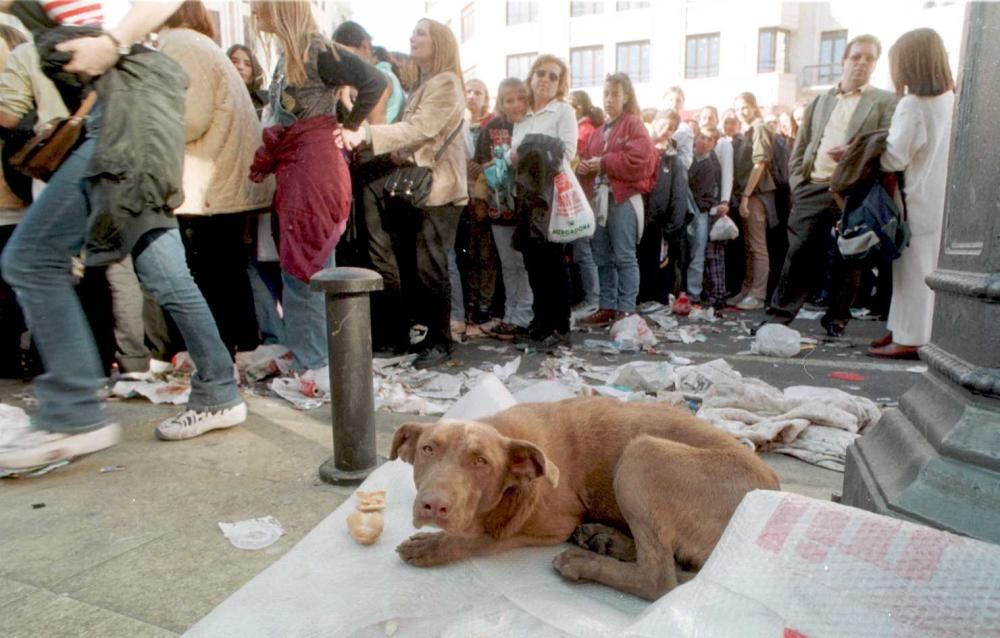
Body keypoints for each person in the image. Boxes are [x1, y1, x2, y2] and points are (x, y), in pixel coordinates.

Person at [0, 0, 253, 473]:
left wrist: (112, 42)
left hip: (122, 127)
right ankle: (220, 391)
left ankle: (72, 414)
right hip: (133, 123)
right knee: (167, 276)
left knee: (32, 259)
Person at [249, 0, 385, 373]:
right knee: (303, 270)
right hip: (299, 172)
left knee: (306, 271)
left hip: (313, 171)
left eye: (257, 4)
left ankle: (316, 367)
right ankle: (315, 361)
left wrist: (352, 125)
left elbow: (375, 81)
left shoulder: (316, 49)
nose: (252, 11)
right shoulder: (291, 54)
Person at [343, 18, 467, 369]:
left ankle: (440, 341)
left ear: (440, 42)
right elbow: (420, 134)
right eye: (412, 31)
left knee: (432, 268)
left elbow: (422, 128)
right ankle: (428, 337)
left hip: (438, 189)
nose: (412, 37)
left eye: (421, 33)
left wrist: (368, 136)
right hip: (425, 186)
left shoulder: (445, 82)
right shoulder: (428, 83)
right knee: (421, 266)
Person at [159, 1, 273, 355]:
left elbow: (190, 118)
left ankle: (219, 352)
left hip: (205, 183)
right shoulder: (201, 45)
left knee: (208, 275)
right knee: (228, 272)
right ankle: (241, 348)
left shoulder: (179, 44)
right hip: (222, 180)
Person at [767, 34, 896, 335]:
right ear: (844, 61)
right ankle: (777, 318)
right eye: (856, 57)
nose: (861, 63)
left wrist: (856, 150)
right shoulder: (820, 101)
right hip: (814, 185)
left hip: (854, 190)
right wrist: (799, 183)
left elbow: (888, 139)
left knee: (848, 257)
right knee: (797, 253)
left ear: (875, 64)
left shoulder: (883, 101)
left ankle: (837, 319)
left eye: (869, 58)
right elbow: (801, 146)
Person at [868, 28, 954, 359]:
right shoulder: (952, 100)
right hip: (945, 196)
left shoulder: (913, 105)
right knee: (926, 268)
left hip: (917, 196)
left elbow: (894, 157)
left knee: (911, 269)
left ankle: (911, 336)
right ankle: (903, 328)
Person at [508, 53, 577, 350]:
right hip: (525, 195)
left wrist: (529, 150)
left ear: (560, 83)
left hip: (550, 197)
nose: (546, 80)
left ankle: (560, 327)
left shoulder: (563, 111)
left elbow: (567, 153)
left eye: (553, 76)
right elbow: (512, 156)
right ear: (532, 76)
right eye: (542, 73)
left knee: (553, 262)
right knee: (532, 262)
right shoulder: (523, 116)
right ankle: (540, 322)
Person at [577, 73, 656, 328]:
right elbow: (589, 160)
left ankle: (626, 308)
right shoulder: (598, 132)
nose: (609, 99)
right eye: (606, 94)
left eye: (615, 94)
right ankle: (608, 306)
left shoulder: (633, 124)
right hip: (599, 200)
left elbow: (642, 161)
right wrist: (583, 168)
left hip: (623, 198)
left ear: (626, 96)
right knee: (601, 256)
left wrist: (602, 163)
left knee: (624, 255)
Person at [474, 77, 532, 341]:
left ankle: (524, 315)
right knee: (508, 264)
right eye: (509, 99)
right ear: (500, 101)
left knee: (523, 262)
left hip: (526, 205)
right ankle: (510, 314)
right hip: (500, 204)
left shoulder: (531, 124)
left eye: (521, 98)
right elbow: (480, 163)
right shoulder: (492, 127)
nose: (516, 104)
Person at [729, 91, 775, 311]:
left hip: (757, 194)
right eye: (738, 109)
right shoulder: (747, 131)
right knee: (749, 245)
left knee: (757, 246)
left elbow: (760, 164)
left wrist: (746, 195)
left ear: (754, 107)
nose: (741, 112)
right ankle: (748, 289)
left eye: (745, 107)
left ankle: (758, 294)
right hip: (748, 194)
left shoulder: (760, 128)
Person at [568, 88, 604, 318]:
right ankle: (593, 298)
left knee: (583, 250)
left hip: (582, 197)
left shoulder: (583, 131)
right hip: (584, 196)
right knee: (584, 250)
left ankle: (593, 299)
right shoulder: (589, 129)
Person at [332, 20, 404, 124]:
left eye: (348, 56)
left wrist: (347, 101)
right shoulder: (382, 74)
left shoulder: (379, 79)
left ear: (365, 46)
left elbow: (376, 132)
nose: (344, 63)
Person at [689, 127, 725, 307]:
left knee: (697, 254)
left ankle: (693, 293)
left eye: (709, 139)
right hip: (689, 212)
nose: (703, 141)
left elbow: (707, 195)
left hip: (700, 213)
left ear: (714, 144)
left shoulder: (710, 165)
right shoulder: (688, 160)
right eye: (701, 136)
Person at [227, 43, 267, 118]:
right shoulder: (215, 99)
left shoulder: (265, 102)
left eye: (248, 64)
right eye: (234, 61)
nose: (240, 67)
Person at [663, 85, 693, 168]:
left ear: (683, 105)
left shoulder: (685, 130)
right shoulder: (655, 124)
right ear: (664, 102)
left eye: (678, 101)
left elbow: (687, 160)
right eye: (671, 100)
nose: (674, 103)